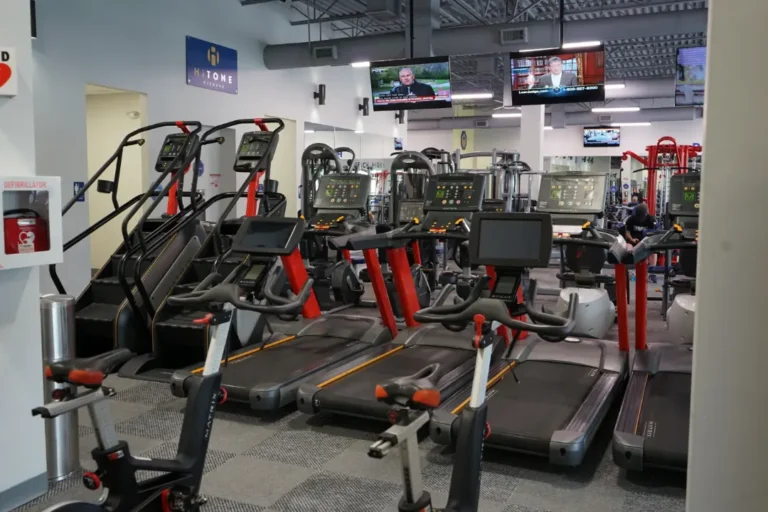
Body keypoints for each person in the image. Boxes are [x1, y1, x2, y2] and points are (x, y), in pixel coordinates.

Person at [622, 203, 659, 280]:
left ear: (646, 214)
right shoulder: (631, 219)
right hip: (634, 240)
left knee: (654, 252)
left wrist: (645, 242)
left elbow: (655, 235)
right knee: (628, 248)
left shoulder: (651, 220)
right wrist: (632, 239)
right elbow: (627, 232)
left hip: (647, 241)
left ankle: (652, 273)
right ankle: (634, 270)